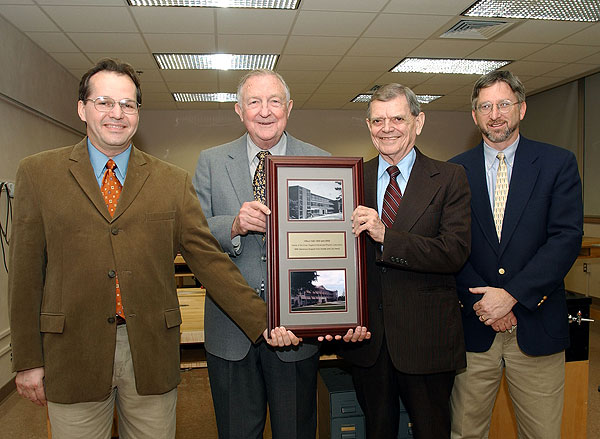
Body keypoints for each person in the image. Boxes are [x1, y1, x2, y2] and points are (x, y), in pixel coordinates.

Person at [8, 58, 298, 439]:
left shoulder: (170, 181)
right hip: (72, 353)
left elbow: (209, 261)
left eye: (128, 105)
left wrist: (265, 320)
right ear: (82, 108)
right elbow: (26, 273)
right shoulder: (38, 173)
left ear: (137, 113)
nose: (118, 113)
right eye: (105, 102)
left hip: (149, 352)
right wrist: (28, 359)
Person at [193, 69, 369, 439]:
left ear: (288, 107)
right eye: (254, 101)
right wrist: (234, 226)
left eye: (274, 101)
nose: (265, 110)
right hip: (231, 331)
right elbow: (193, 236)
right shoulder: (210, 161)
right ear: (238, 110)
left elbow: (334, 246)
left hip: (297, 333)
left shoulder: (321, 161)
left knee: (296, 431)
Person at [449, 70, 583, 439]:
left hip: (536, 323)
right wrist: (486, 302)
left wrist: (510, 297)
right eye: (485, 106)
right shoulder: (453, 171)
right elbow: (450, 246)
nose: (495, 114)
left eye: (504, 104)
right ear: (474, 116)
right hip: (474, 327)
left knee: (541, 434)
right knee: (464, 432)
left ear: (521, 109)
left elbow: (565, 239)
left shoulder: (558, 164)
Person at [339, 83, 471, 439]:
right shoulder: (349, 179)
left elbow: (454, 251)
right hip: (368, 340)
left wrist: (387, 236)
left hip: (425, 339)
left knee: (432, 431)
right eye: (378, 120)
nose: (388, 128)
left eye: (398, 118)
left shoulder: (449, 178)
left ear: (419, 121)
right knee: (377, 432)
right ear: (368, 126)